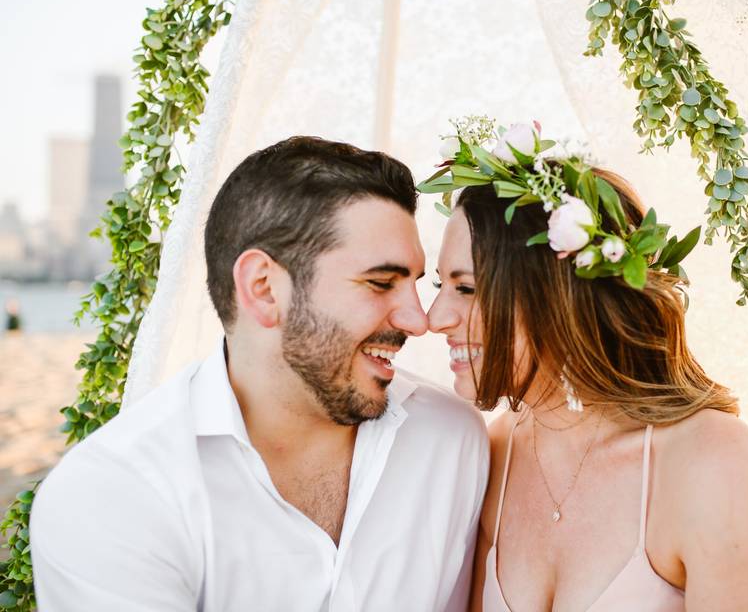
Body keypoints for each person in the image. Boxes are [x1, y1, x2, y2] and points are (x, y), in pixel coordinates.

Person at [30, 136, 489, 611]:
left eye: (415, 284)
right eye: (379, 283)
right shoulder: (114, 494)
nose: (419, 320)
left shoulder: (452, 441)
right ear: (264, 288)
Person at [427, 151, 748, 610]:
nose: (434, 318)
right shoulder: (495, 452)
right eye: (437, 286)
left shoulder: (710, 460)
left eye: (467, 288)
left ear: (554, 293)